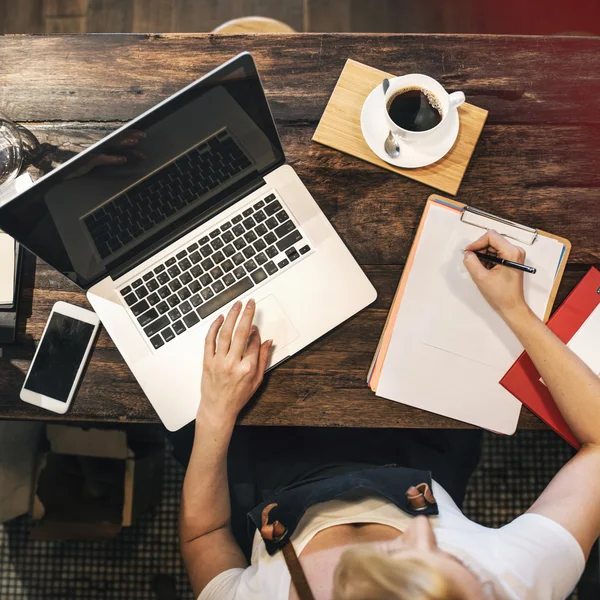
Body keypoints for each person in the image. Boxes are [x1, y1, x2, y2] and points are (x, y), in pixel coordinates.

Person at [176, 230, 600, 600]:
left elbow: (205, 535)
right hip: (420, 449)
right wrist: (515, 311)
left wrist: (216, 410)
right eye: (454, 560)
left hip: (267, 465)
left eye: (396, 553)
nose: (420, 531)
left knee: (177, 409)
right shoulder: (510, 584)